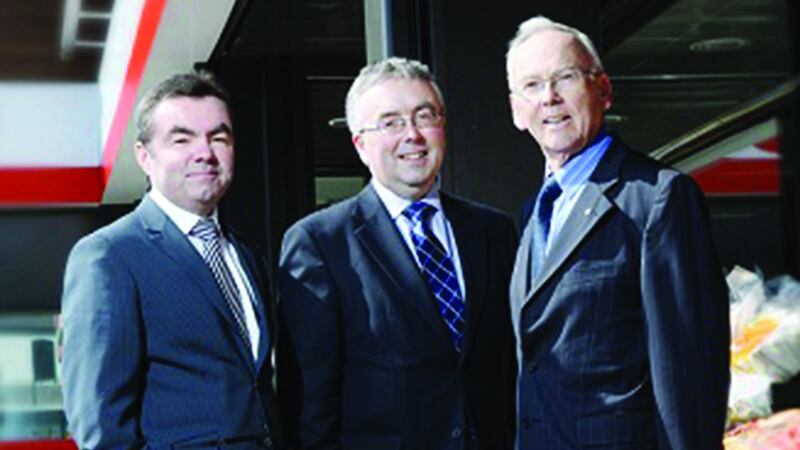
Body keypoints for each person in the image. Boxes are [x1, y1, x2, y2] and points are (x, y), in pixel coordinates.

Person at [505, 16, 730, 450]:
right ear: (516, 110)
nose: (549, 97)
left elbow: (688, 373)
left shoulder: (658, 197)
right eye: (532, 85)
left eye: (565, 77)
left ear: (604, 90)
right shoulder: (533, 212)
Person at [278, 57, 517, 450]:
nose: (413, 135)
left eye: (425, 117)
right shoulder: (320, 243)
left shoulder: (493, 231)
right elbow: (310, 405)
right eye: (390, 123)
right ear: (361, 145)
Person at [61, 72, 280, 449]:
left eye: (219, 138)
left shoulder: (247, 255)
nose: (205, 153)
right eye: (182, 139)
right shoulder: (109, 256)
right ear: (144, 156)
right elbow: (100, 424)